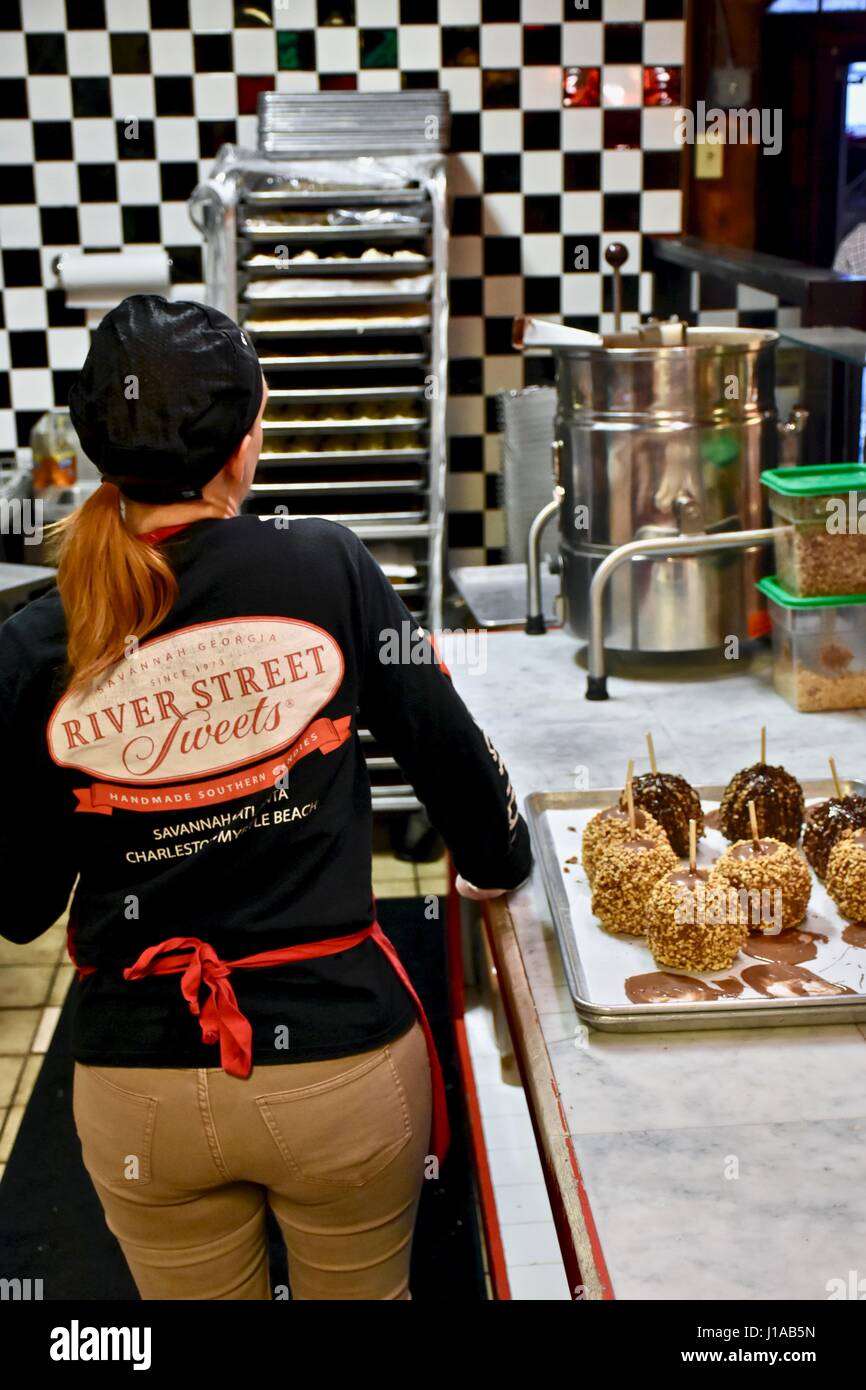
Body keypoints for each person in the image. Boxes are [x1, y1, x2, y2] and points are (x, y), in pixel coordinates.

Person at [0, 295, 532, 1301]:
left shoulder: (37, 637)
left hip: (137, 1089)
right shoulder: (324, 562)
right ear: (248, 440)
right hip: (338, 1077)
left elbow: (18, 900)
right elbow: (460, 777)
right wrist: (502, 862)